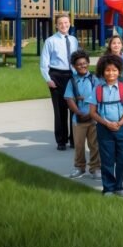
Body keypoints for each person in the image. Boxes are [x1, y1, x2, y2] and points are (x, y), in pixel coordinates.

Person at [88, 54, 123, 196]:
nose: (111, 73)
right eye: (107, 70)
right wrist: (106, 123)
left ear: (119, 71)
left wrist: (120, 123)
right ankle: (108, 188)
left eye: (114, 70)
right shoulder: (97, 90)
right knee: (107, 159)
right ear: (102, 72)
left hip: (122, 128)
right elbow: (92, 112)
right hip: (104, 129)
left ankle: (118, 186)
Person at [40, 14, 79, 151]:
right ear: (56, 25)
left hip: (72, 76)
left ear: (70, 23)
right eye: (61, 23)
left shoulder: (74, 40)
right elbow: (44, 63)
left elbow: (77, 59)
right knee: (60, 109)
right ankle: (61, 141)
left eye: (66, 22)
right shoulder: (50, 41)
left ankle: (74, 139)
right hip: (56, 75)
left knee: (74, 108)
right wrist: (48, 79)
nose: (64, 25)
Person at [64, 49, 100, 179]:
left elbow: (99, 96)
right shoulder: (72, 81)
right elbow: (69, 99)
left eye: (84, 63)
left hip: (93, 118)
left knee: (94, 145)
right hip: (78, 119)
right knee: (79, 145)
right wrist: (78, 112)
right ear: (74, 66)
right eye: (79, 64)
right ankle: (79, 167)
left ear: (88, 63)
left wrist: (91, 112)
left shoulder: (94, 79)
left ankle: (95, 168)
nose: (82, 66)